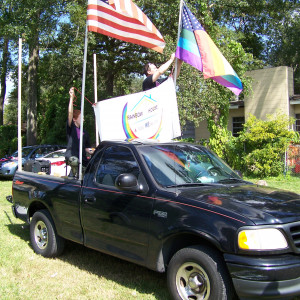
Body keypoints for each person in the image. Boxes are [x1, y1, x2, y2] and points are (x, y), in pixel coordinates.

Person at [65, 87, 94, 177]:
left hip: (83, 160)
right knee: (74, 161)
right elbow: (70, 113)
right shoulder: (71, 128)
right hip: (72, 157)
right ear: (74, 119)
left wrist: (94, 151)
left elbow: (87, 148)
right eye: (81, 117)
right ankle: (75, 174)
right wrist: (71, 98)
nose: (83, 119)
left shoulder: (85, 133)